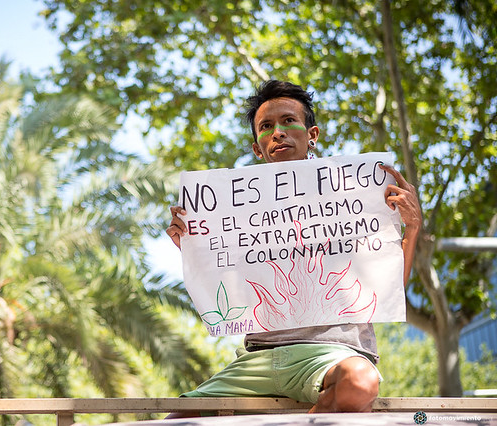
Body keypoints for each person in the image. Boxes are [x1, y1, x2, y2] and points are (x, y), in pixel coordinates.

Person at [165, 80, 422, 414]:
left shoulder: (353, 198)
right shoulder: (235, 212)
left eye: (288, 121)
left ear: (312, 134)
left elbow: (385, 291)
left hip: (332, 354)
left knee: (360, 382)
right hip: (256, 359)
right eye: (266, 127)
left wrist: (412, 227)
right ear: (258, 148)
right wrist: (194, 248)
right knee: (176, 417)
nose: (278, 132)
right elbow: (232, 288)